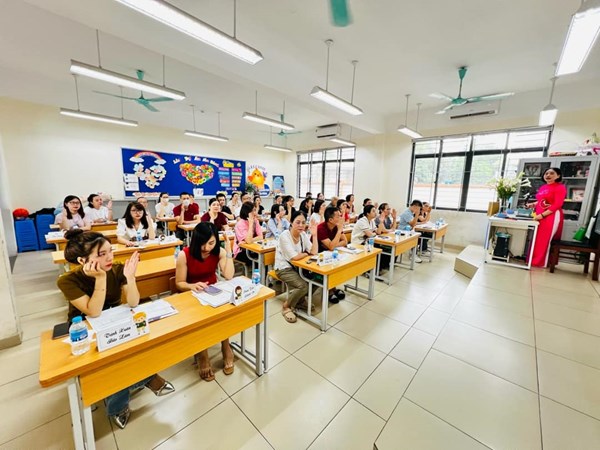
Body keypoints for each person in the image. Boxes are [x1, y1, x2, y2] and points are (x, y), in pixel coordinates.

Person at [57, 229, 174, 429]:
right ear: (83, 260)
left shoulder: (117, 269)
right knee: (111, 360)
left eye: (110, 251)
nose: (109, 257)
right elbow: (93, 311)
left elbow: (134, 302)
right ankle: (123, 401)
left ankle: (144, 377)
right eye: (101, 254)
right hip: (85, 328)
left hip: (115, 319)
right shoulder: (68, 280)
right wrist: (100, 278)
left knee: (139, 341)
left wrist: (131, 278)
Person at [175, 222, 236, 380]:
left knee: (224, 314)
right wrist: (192, 286)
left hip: (212, 292)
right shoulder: (184, 255)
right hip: (192, 294)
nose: (207, 248)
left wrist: (228, 251)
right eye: (203, 243)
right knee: (200, 319)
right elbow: (179, 283)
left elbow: (229, 275)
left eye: (211, 243)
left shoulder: (218, 251)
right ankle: (203, 354)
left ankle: (226, 346)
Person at [274, 211, 322, 323]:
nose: (301, 225)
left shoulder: (303, 235)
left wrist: (314, 235)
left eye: (303, 223)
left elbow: (314, 252)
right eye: (298, 222)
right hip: (283, 268)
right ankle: (286, 306)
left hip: (298, 268)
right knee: (303, 286)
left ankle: (299, 300)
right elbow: (294, 257)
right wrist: (305, 254)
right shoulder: (284, 236)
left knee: (318, 278)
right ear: (291, 222)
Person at [529, 167, 567, 267]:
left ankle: (542, 262)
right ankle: (533, 260)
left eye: (552, 173)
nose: (548, 175)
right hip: (540, 215)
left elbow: (557, 204)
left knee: (545, 239)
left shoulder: (560, 187)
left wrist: (542, 215)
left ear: (558, 176)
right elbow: (542, 201)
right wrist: (533, 204)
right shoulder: (543, 187)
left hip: (551, 216)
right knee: (537, 238)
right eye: (546, 173)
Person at [317, 206, 348, 303]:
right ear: (330, 220)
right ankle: (330, 291)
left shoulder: (336, 226)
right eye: (338, 216)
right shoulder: (321, 228)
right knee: (330, 267)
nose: (341, 218)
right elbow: (331, 247)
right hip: (318, 256)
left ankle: (333, 288)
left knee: (337, 265)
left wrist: (333, 245)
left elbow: (345, 241)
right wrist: (339, 231)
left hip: (330, 253)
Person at [233, 201, 264, 267]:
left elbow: (261, 237)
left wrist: (249, 241)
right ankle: (257, 273)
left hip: (253, 248)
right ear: (247, 212)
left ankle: (263, 273)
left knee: (263, 258)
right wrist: (250, 224)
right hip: (241, 251)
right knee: (258, 262)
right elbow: (249, 241)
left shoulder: (256, 221)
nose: (255, 213)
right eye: (253, 211)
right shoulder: (240, 224)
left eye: (255, 210)